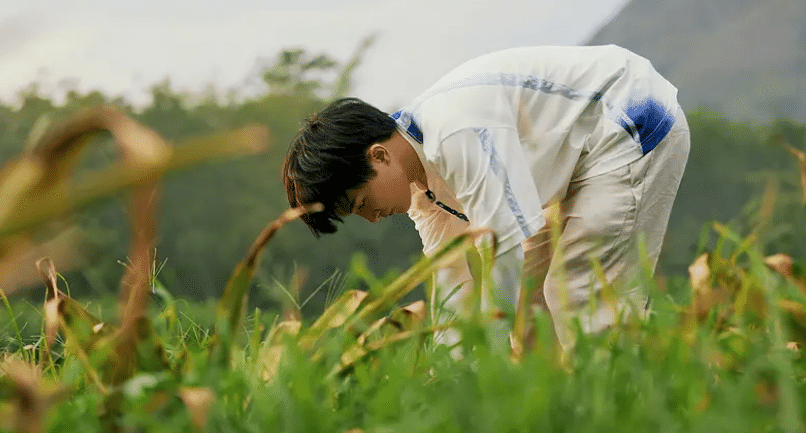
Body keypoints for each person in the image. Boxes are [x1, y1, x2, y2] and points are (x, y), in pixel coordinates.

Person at [282, 44, 690, 350]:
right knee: (531, 313)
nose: (371, 218)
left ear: (379, 156)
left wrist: (486, 366)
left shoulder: (455, 132)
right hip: (581, 157)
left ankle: (626, 417)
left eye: (361, 203)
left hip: (631, 119)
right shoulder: (421, 187)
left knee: (578, 292)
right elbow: (452, 278)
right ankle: (548, 415)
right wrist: (454, 366)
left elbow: (505, 243)